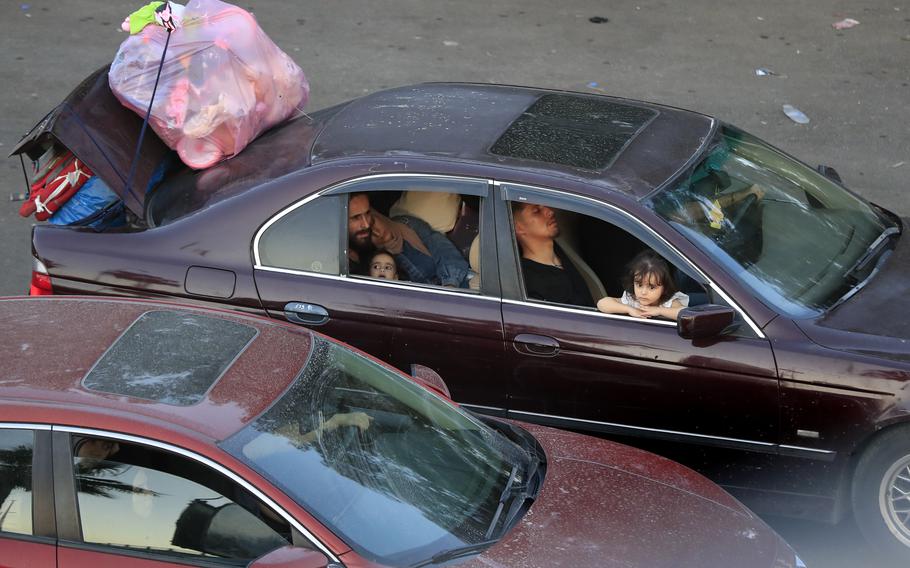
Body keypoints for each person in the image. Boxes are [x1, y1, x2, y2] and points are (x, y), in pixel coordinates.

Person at [347, 193, 471, 287]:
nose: (366, 224)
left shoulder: (408, 226)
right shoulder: (350, 261)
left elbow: (447, 253)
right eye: (356, 217)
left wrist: (449, 287)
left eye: (368, 214)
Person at [512, 201, 594, 307]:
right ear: (518, 227)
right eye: (536, 211)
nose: (550, 212)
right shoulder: (528, 283)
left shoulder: (563, 252)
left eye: (546, 206)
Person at [596, 249, 689, 320]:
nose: (643, 292)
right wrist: (629, 309)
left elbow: (685, 314)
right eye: (639, 285)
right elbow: (602, 304)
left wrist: (659, 311)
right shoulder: (632, 300)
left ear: (665, 288)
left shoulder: (668, 303)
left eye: (652, 287)